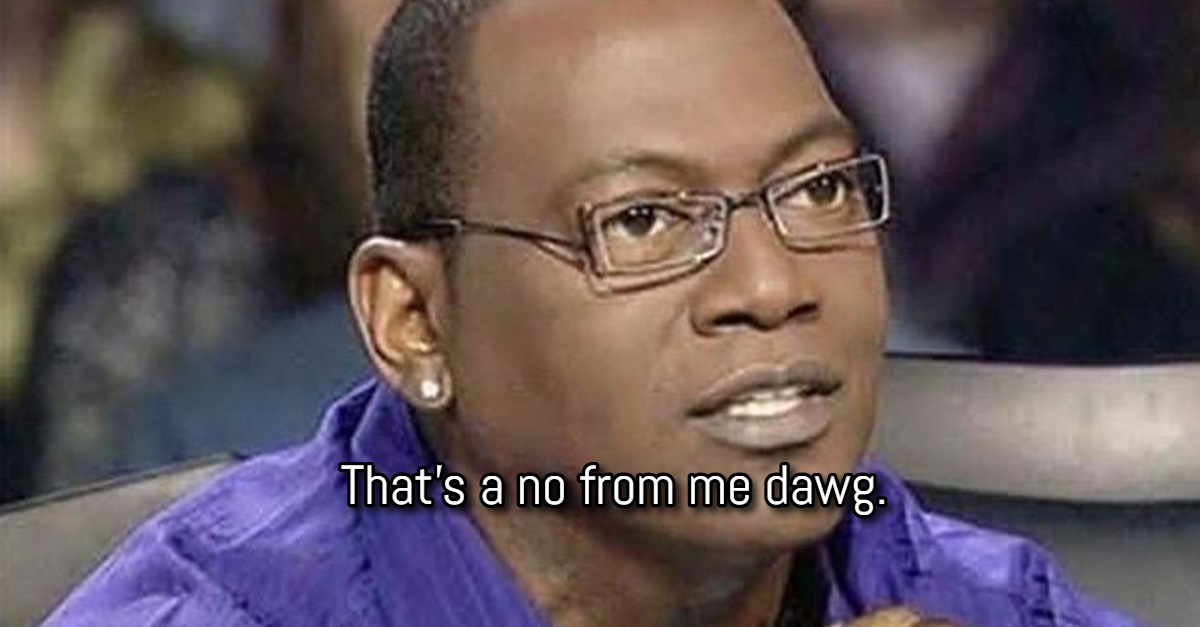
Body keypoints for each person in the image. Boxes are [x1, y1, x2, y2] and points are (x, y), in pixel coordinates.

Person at [41, 1, 1141, 625]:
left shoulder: (972, 599)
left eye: (817, 191)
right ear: (415, 320)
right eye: (644, 221)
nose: (773, 286)